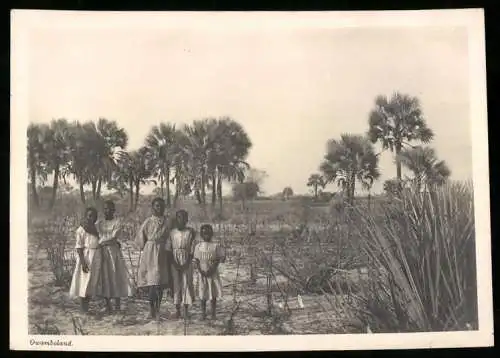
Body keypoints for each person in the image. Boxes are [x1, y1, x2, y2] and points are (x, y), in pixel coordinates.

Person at [136, 198, 173, 320]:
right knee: (152, 282)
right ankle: (151, 308)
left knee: (160, 282)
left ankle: (158, 308)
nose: (159, 208)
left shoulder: (168, 222)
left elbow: (170, 236)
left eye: (161, 206)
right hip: (150, 252)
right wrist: (146, 246)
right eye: (157, 206)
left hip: (162, 252)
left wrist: (168, 249)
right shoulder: (148, 221)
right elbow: (141, 237)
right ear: (152, 207)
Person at [94, 200, 135, 313]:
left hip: (113, 252)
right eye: (105, 208)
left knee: (115, 275)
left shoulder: (117, 222)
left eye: (110, 209)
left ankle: (117, 305)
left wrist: (101, 242)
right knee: (105, 276)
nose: (107, 211)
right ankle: (108, 305)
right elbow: (95, 234)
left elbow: (113, 237)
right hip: (102, 252)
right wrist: (101, 243)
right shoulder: (99, 223)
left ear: (113, 210)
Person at [69, 207, 101, 313]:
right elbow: (79, 247)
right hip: (86, 257)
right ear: (86, 216)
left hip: (96, 256)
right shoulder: (81, 229)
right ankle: (83, 309)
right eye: (89, 216)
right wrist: (83, 263)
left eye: (94, 216)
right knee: (84, 283)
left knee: (91, 283)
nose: (92, 218)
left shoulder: (97, 228)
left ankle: (86, 308)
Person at [167, 209, 196, 319]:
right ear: (176, 219)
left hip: (186, 259)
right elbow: (169, 249)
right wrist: (175, 263)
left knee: (186, 283)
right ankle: (177, 310)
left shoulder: (191, 232)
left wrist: (187, 262)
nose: (181, 220)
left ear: (187, 220)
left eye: (184, 218)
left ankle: (186, 310)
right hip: (175, 260)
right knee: (176, 284)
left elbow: (192, 249)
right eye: (179, 217)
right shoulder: (172, 232)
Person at [193, 224, 226, 320]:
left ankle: (213, 314)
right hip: (202, 274)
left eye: (208, 233)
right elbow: (196, 261)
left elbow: (220, 259)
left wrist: (212, 269)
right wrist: (201, 271)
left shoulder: (215, 246)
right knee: (202, 294)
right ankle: (203, 313)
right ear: (201, 235)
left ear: (211, 234)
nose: (206, 235)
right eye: (204, 233)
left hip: (213, 274)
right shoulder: (198, 246)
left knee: (213, 294)